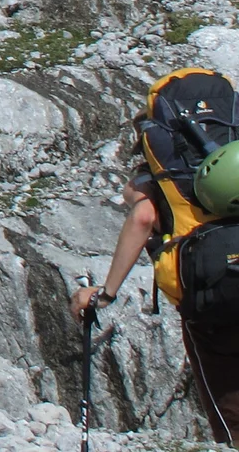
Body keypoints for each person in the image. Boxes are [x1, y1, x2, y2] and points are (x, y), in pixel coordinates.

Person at [71, 174, 239, 440]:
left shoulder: (168, 161)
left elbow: (143, 217)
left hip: (211, 293)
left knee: (230, 408)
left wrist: (106, 295)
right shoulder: (226, 137)